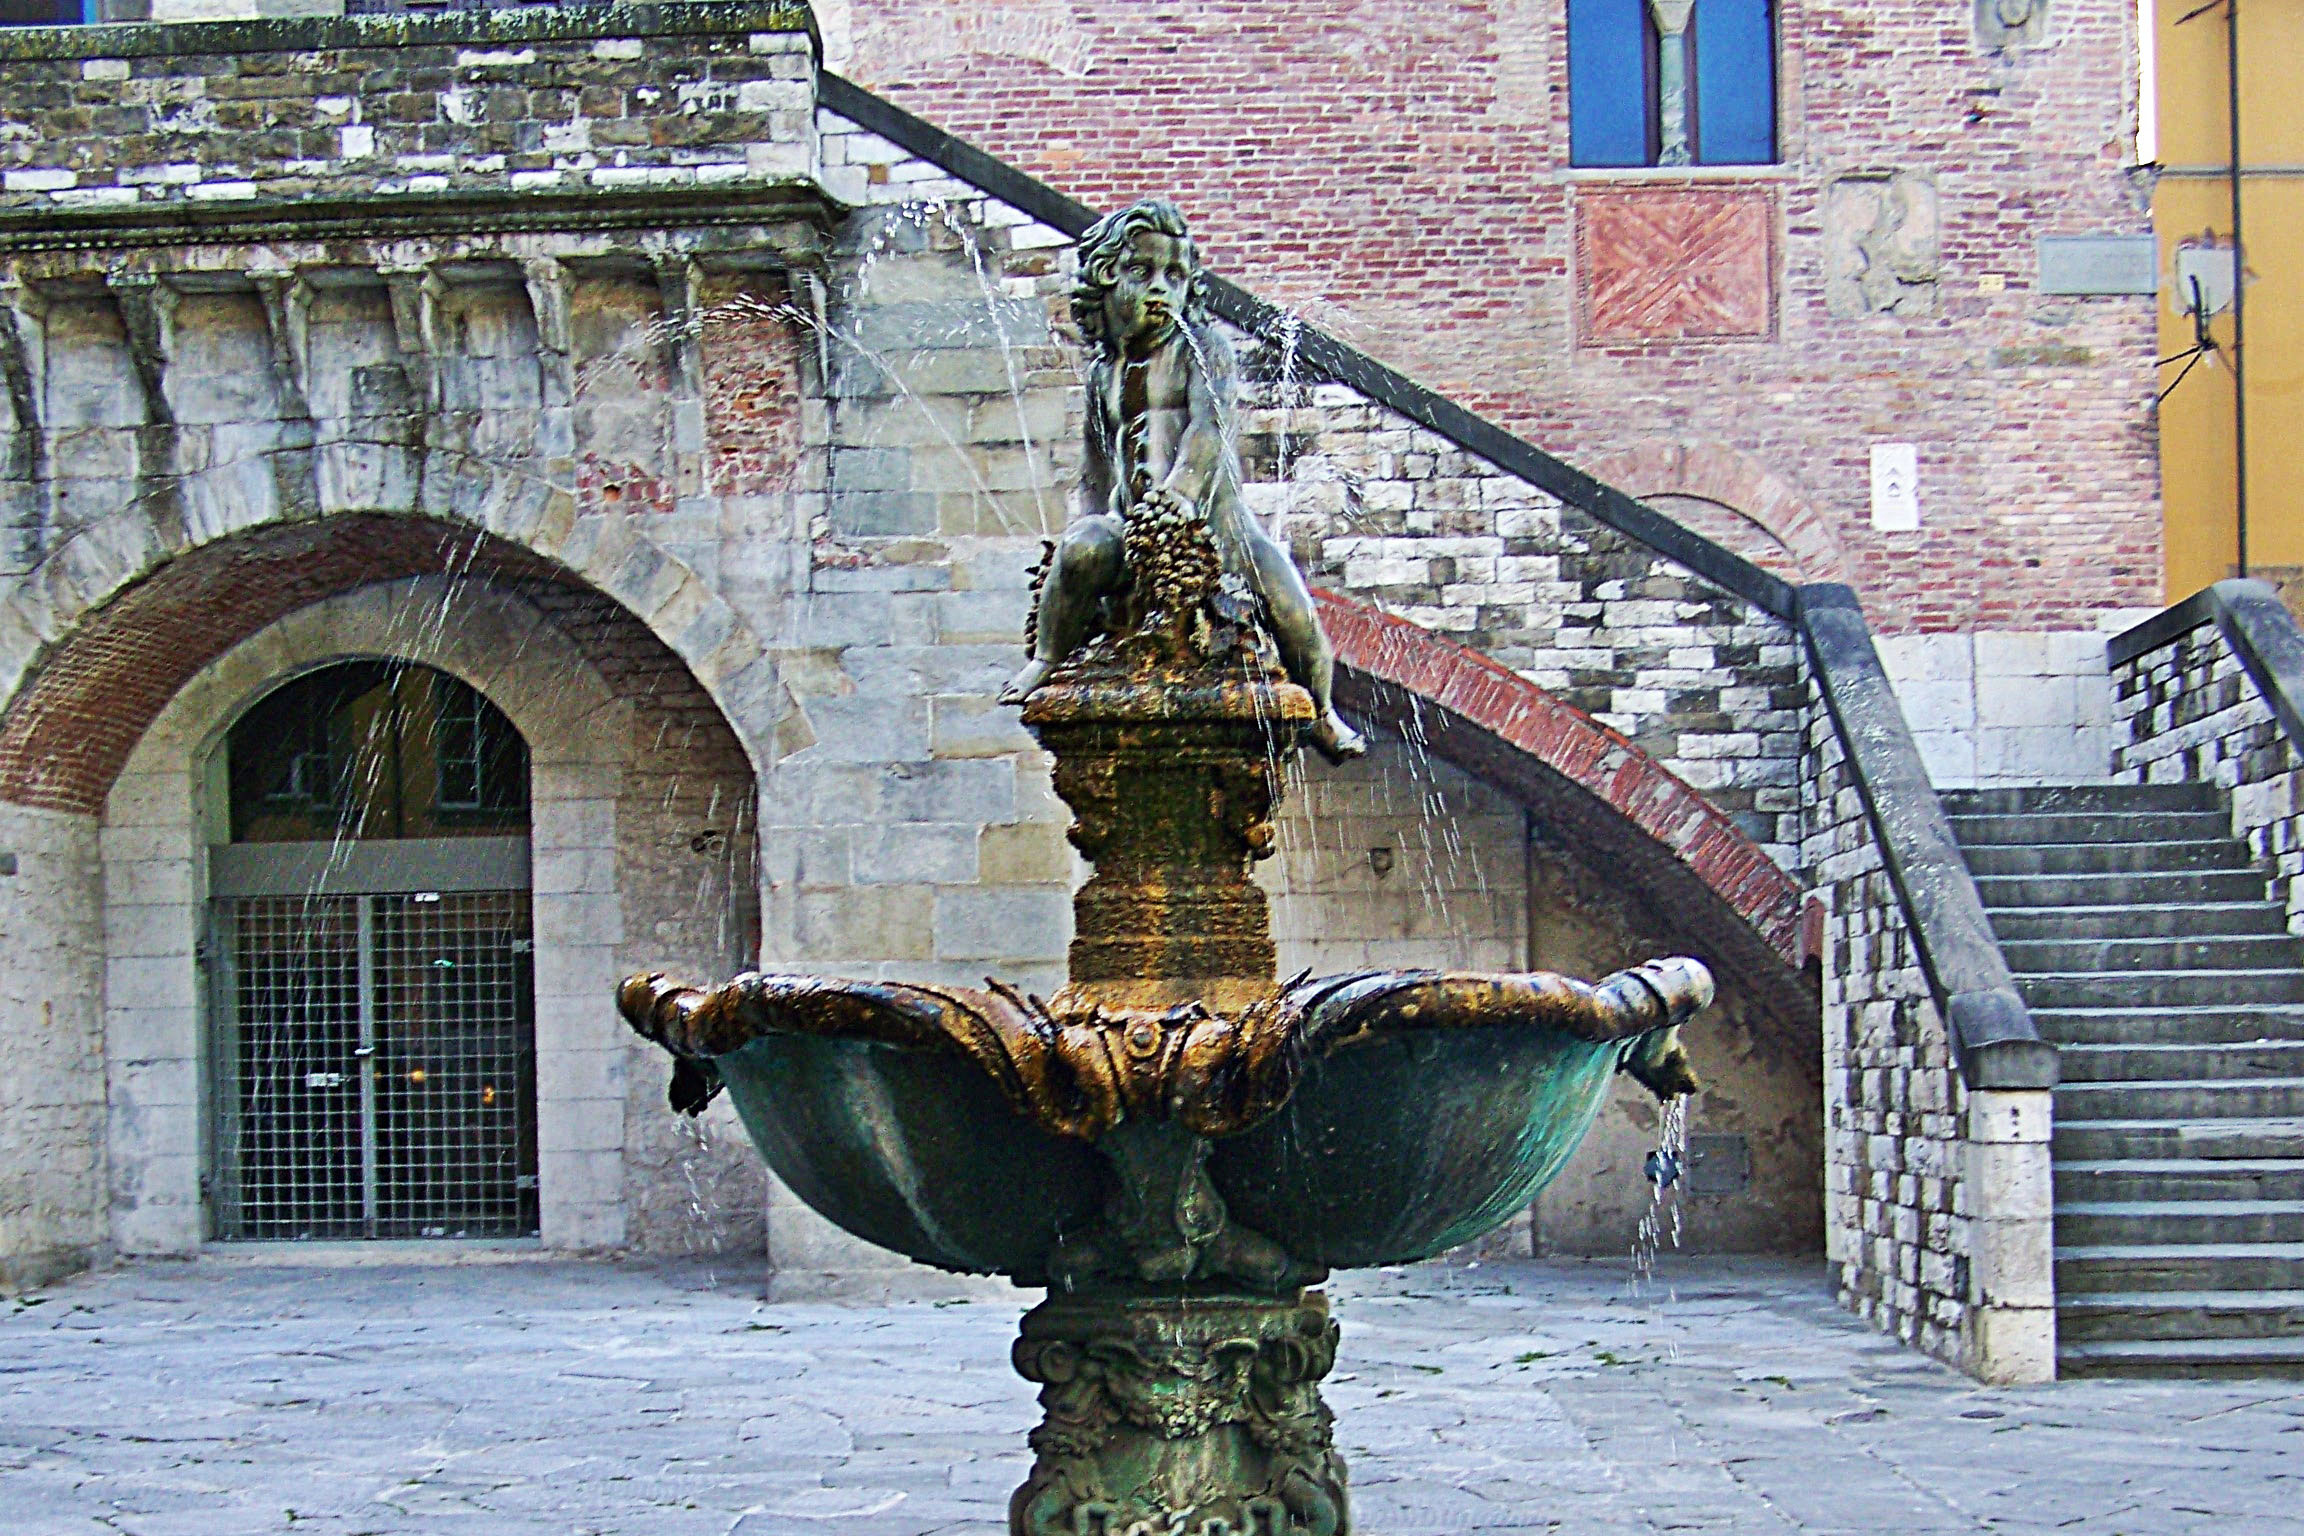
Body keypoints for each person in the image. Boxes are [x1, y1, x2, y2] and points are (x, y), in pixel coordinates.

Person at [999, 199, 1366, 763]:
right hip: (1133, 530)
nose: (1161, 289)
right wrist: (1079, 533)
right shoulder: (1102, 374)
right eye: (1141, 272)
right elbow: (1095, 472)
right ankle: (1048, 657)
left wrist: (1179, 496)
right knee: (1079, 552)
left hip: (1217, 533)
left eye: (1175, 276)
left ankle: (1321, 713)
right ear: (1105, 281)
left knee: (1295, 613)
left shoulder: (1203, 350)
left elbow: (1208, 431)